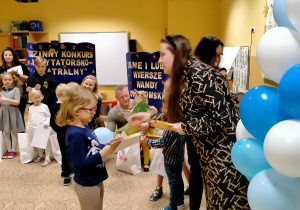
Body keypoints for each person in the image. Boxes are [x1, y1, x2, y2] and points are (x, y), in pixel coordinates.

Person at [128, 34, 249, 209]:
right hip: (208, 156)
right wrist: (150, 117)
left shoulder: (201, 73)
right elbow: (179, 113)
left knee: (227, 203)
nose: (159, 61)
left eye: (163, 55)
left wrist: (185, 127)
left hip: (224, 157)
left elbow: (220, 117)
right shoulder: (184, 76)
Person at [55, 85, 121, 210]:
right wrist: (102, 154)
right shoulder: (75, 134)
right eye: (90, 110)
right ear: (76, 110)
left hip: (95, 178)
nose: (94, 113)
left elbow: (93, 146)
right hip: (86, 184)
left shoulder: (84, 126)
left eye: (95, 109)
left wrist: (108, 145)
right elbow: (77, 165)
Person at [0, 47, 30, 124]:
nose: (8, 56)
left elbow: (28, 79)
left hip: (20, 94)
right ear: (3, 56)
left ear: (13, 56)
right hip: (6, 96)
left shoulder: (21, 66)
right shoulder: (1, 68)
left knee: (20, 117)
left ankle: (21, 134)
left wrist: (17, 75)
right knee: (7, 118)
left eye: (10, 55)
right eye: (6, 55)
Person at [50, 83, 72, 185]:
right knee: (67, 152)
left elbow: (52, 123)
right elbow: (52, 122)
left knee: (65, 152)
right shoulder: (60, 107)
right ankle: (67, 175)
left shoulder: (57, 105)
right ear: (63, 95)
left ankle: (65, 170)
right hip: (65, 133)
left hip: (63, 133)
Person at [0, 72, 25, 158]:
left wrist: (5, 99)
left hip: (13, 113)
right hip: (4, 113)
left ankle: (13, 150)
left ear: (13, 81)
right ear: (2, 81)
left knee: (13, 132)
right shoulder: (1, 90)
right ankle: (9, 150)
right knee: (5, 132)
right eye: (5, 80)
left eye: (9, 80)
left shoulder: (16, 90)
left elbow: (17, 102)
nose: (7, 81)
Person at [27, 85, 52, 167]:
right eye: (35, 98)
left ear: (41, 97)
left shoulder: (44, 106)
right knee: (38, 143)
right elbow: (30, 118)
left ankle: (47, 157)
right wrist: (28, 126)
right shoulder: (30, 108)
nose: (37, 99)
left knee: (45, 143)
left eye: (39, 97)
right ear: (31, 99)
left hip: (43, 127)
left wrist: (47, 123)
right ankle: (41, 155)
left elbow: (48, 116)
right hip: (34, 127)